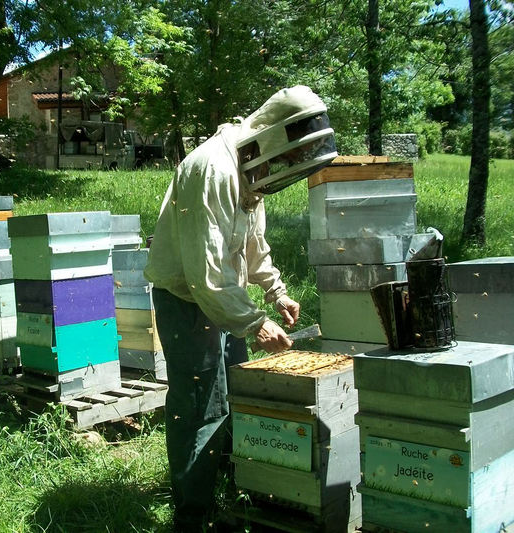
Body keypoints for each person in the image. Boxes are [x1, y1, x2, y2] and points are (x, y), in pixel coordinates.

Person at [144, 85, 337, 531]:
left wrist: (276, 292)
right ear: (271, 137)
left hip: (225, 299)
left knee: (234, 396)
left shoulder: (252, 169)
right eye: (286, 158)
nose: (283, 169)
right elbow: (205, 273)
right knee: (199, 405)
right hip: (187, 300)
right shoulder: (210, 169)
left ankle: (233, 487)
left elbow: (253, 244)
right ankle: (193, 515)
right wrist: (255, 322)